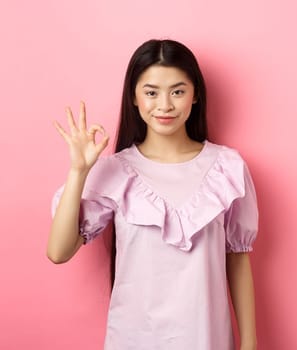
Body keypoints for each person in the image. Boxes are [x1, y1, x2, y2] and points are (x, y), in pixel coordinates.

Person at [46, 39, 259, 350]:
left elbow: (238, 259)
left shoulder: (227, 168)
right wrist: (78, 171)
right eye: (151, 92)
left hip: (206, 338)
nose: (165, 105)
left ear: (195, 94)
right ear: (133, 96)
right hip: (133, 339)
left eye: (177, 91)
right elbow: (58, 252)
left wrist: (250, 342)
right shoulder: (114, 172)